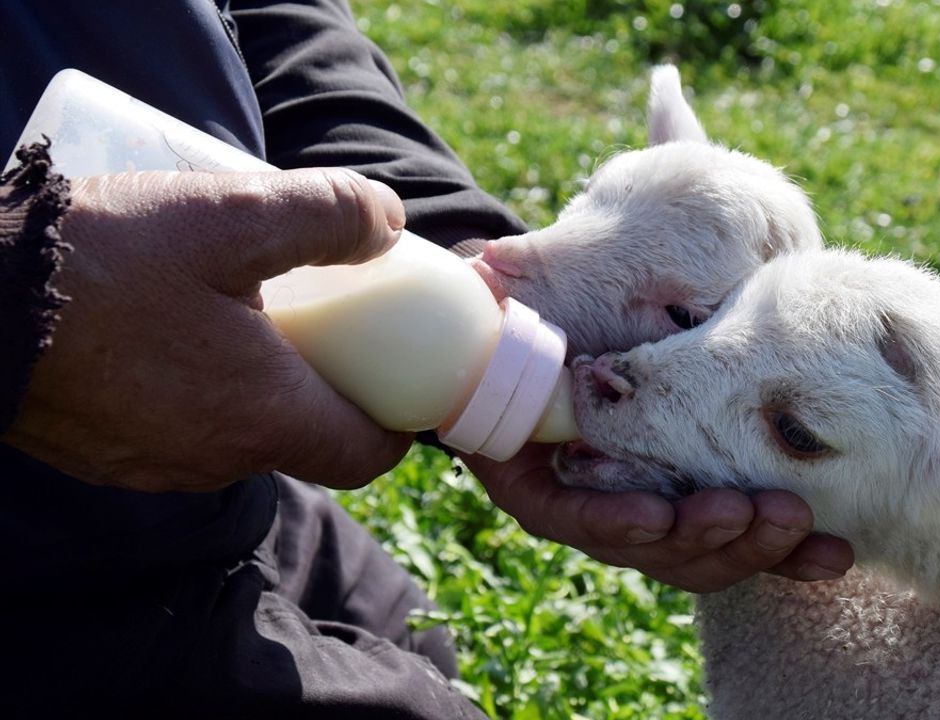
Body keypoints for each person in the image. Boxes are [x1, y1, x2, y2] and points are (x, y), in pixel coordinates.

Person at [0, 1, 854, 716]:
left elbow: (262, 14)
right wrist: (17, 301)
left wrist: (448, 243)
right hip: (33, 550)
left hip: (207, 467)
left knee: (425, 639)